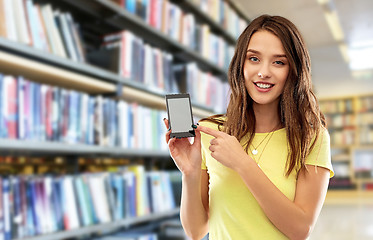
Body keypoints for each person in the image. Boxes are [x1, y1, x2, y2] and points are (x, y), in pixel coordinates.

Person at [164, 14, 334, 240]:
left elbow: (300, 229)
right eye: (253, 59)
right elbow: (196, 231)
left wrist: (242, 163)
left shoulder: (311, 137)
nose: (263, 72)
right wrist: (190, 173)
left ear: (293, 71)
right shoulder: (211, 132)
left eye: (279, 62)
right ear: (240, 64)